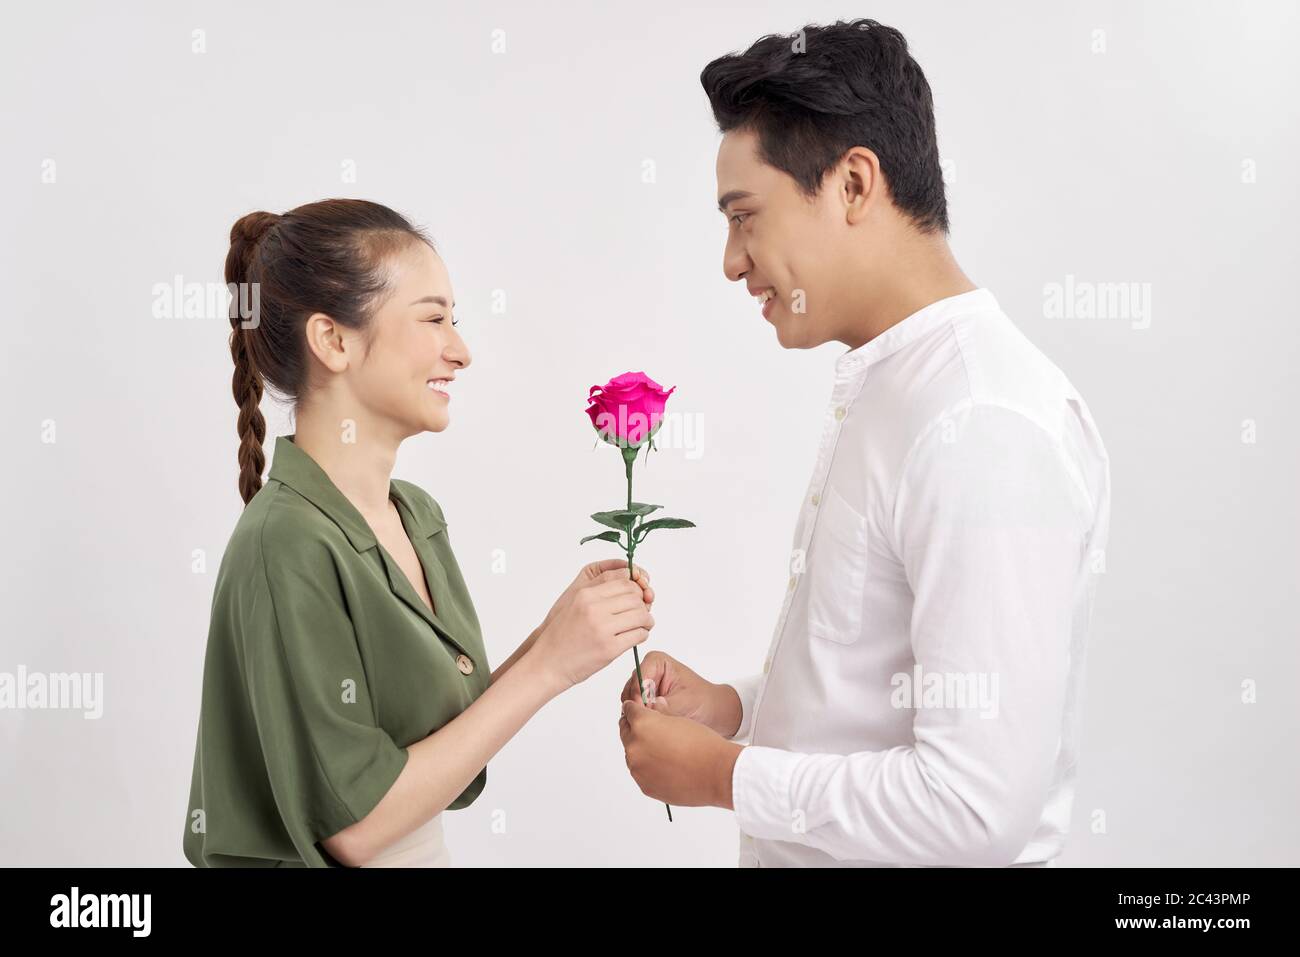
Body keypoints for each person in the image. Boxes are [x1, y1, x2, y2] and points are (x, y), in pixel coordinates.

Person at [619, 19, 1111, 868]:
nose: (733, 262)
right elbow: (880, 691)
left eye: (745, 217)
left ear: (852, 183)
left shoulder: (978, 419)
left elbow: (971, 807)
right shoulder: (900, 387)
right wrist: (736, 708)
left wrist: (728, 776)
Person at [183, 198, 654, 867]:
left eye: (453, 321)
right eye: (433, 319)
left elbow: (441, 747)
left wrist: (559, 637)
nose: (459, 351)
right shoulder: (285, 544)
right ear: (334, 341)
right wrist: (549, 665)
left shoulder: (416, 515)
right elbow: (356, 824)